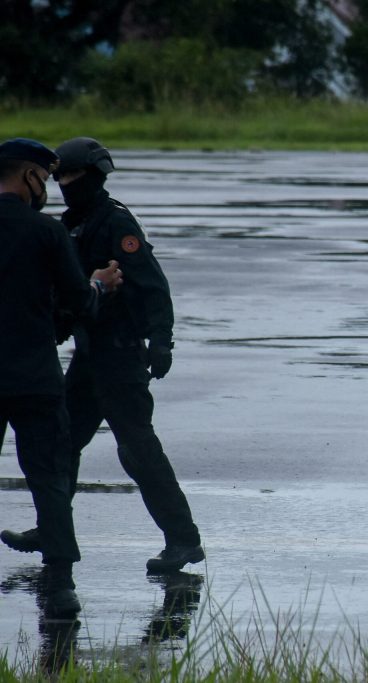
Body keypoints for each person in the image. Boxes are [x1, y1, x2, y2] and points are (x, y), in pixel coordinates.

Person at [0, 137, 203, 574]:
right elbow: (66, 296)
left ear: (96, 177)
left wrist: (161, 339)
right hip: (89, 358)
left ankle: (183, 539)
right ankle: (49, 528)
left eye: (75, 177)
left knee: (137, 450)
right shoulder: (70, 226)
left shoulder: (115, 224)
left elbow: (152, 284)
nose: (67, 184)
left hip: (121, 359)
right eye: (61, 178)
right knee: (62, 444)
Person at [0, 137, 123, 616]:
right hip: (34, 379)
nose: (47, 189)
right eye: (45, 179)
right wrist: (100, 283)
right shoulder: (45, 233)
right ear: (29, 176)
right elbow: (78, 301)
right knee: (49, 478)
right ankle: (60, 582)